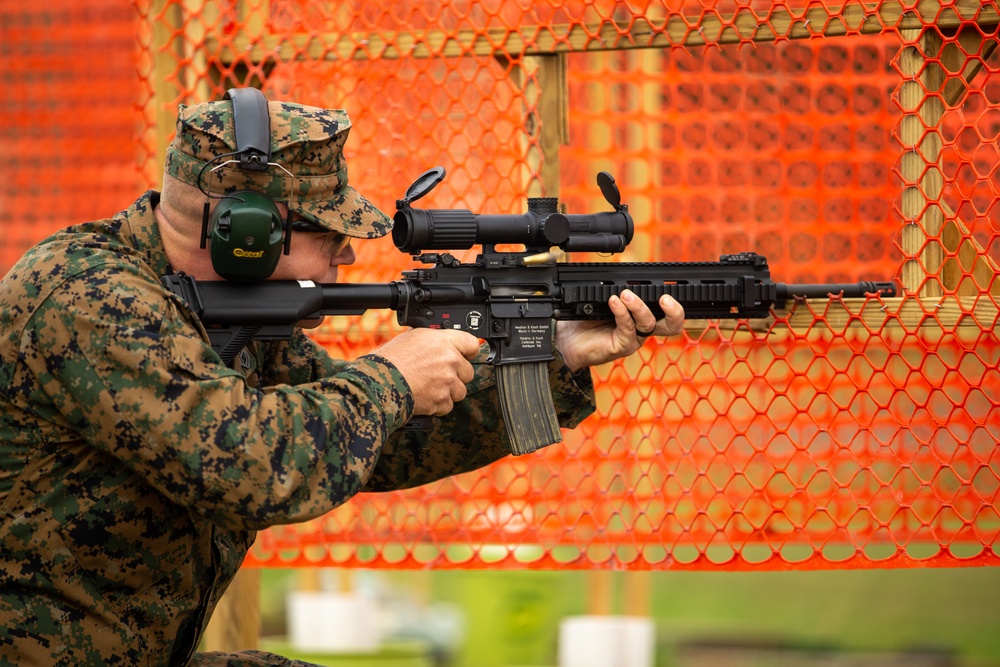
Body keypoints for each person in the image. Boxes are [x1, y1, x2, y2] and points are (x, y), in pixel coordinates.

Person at [0, 92, 684, 666]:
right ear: (247, 228)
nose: (346, 253)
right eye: (328, 233)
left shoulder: (222, 316)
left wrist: (555, 355)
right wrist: (388, 375)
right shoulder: (87, 296)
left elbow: (375, 441)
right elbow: (249, 461)